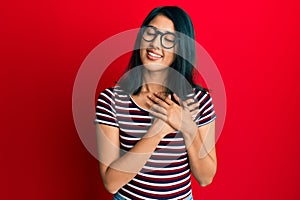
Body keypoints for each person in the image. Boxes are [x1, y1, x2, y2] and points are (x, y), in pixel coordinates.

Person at [95, 6, 217, 200]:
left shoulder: (199, 101)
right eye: (150, 33)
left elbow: (205, 178)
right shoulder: (111, 100)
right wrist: (158, 131)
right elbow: (111, 183)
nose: (155, 44)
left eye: (168, 39)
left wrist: (187, 127)